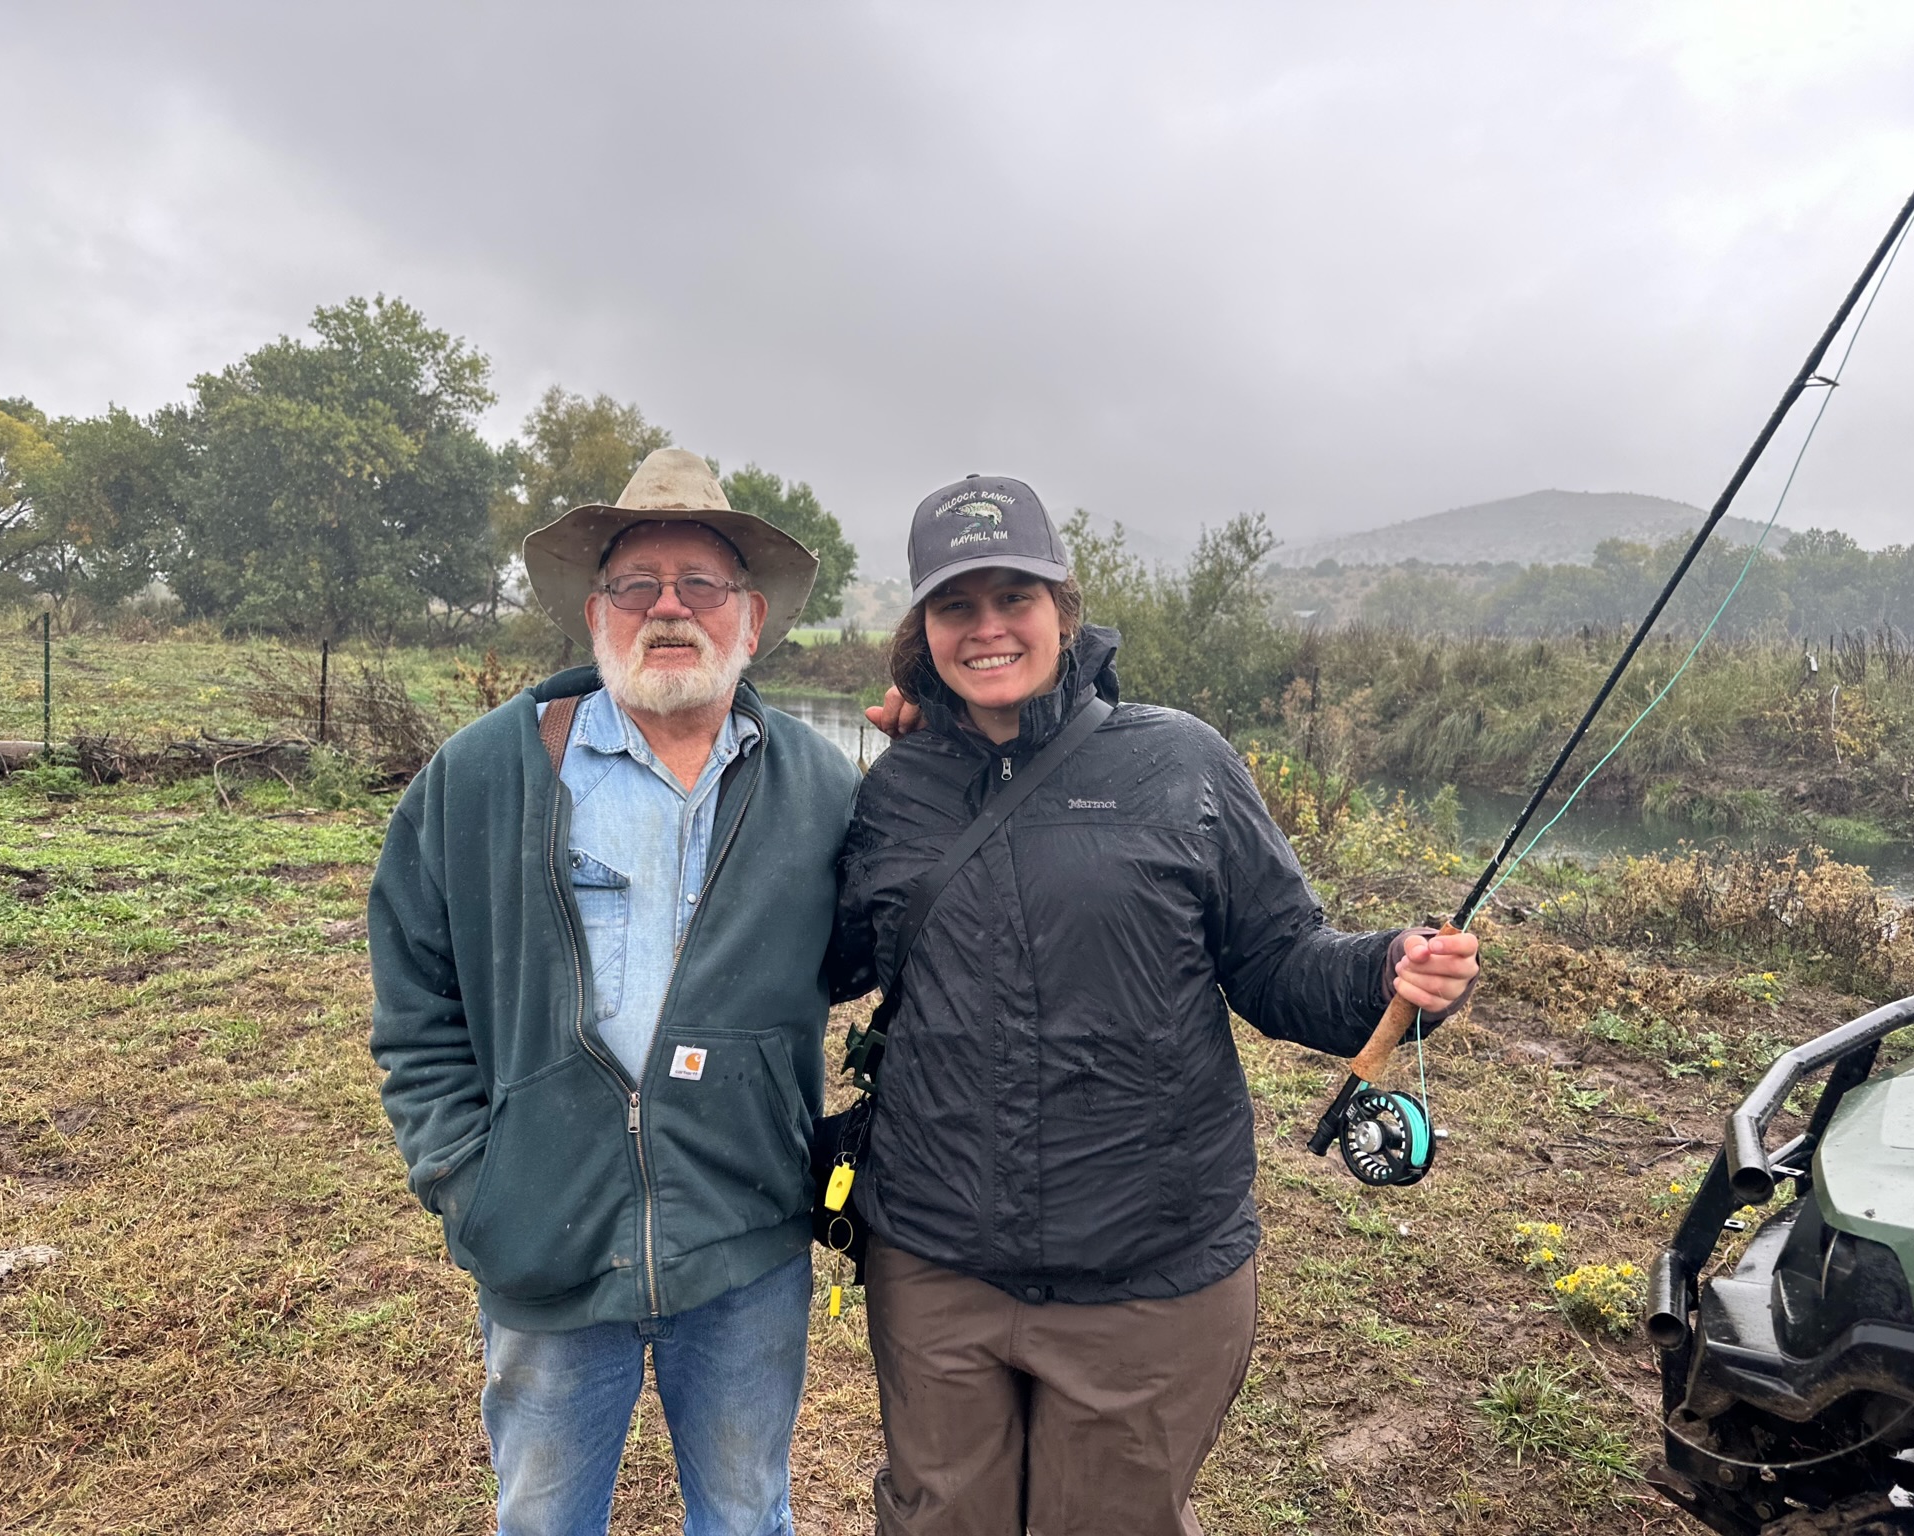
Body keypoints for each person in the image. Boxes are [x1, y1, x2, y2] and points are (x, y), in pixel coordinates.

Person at [832, 474, 1480, 1536]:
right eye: (958, 604)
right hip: (934, 1261)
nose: (989, 627)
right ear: (923, 628)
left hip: (1146, 1275)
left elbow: (1278, 961)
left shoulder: (1181, 763)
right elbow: (826, 958)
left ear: (1064, 609)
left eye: (1015, 598)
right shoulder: (895, 790)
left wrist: (1389, 973)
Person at [368, 449, 861, 1536]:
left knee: (744, 1513)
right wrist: (467, 1176)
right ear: (597, 610)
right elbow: (416, 998)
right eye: (639, 583)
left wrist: (950, 767)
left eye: (703, 585)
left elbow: (888, 941)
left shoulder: (823, 787)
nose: (670, 608)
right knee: (543, 1521)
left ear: (752, 618)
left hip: (745, 1236)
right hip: (545, 1239)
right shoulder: (483, 775)